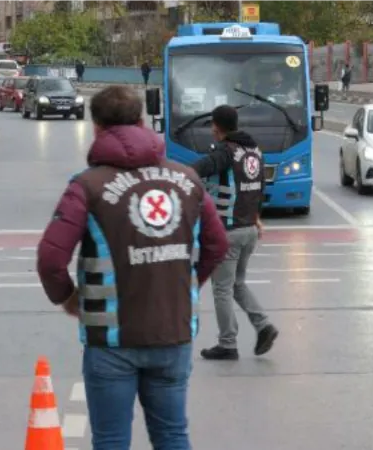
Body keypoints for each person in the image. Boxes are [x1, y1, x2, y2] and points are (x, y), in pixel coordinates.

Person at [36, 85, 229, 449]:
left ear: (96, 128)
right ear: (141, 122)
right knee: (172, 434)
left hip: (111, 340)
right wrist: (186, 286)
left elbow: (50, 259)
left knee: (110, 440)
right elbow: (218, 245)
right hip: (174, 332)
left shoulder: (87, 186)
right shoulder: (188, 179)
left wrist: (69, 298)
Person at [192, 105, 279, 360]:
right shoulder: (254, 151)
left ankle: (228, 343)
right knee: (237, 283)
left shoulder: (225, 152)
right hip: (250, 229)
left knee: (222, 289)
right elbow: (258, 187)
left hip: (228, 231)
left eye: (212, 126)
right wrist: (257, 218)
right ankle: (263, 326)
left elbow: (199, 168)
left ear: (216, 127)